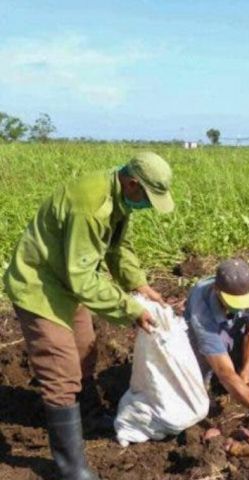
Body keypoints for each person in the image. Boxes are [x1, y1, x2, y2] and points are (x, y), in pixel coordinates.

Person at [2, 152, 174, 480]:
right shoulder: (91, 206)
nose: (149, 206)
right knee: (61, 368)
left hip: (68, 279)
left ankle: (90, 414)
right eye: (148, 198)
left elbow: (117, 248)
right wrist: (130, 309)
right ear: (133, 183)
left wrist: (139, 285)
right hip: (40, 284)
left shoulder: (119, 197)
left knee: (84, 350)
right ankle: (70, 466)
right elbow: (82, 278)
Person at [183, 258, 249, 444]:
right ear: (217, 290)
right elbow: (225, 373)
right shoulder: (202, 310)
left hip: (236, 334)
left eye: (244, 301)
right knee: (199, 397)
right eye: (235, 301)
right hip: (206, 343)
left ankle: (234, 375)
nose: (241, 306)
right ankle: (210, 379)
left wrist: (246, 368)